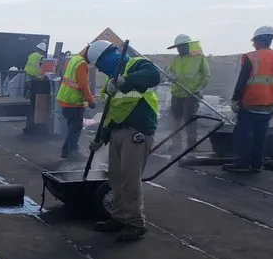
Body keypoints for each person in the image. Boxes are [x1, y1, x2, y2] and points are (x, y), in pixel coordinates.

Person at [85, 40, 161, 242]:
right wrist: (102, 138)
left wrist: (124, 80)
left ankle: (135, 223)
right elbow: (111, 114)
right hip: (118, 132)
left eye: (99, 64)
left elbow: (154, 75)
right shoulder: (110, 82)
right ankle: (119, 217)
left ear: (107, 57)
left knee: (129, 178)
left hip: (136, 132)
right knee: (116, 177)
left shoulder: (136, 65)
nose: (100, 69)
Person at [223, 25, 273, 174]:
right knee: (261, 135)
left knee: (243, 135)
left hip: (250, 103)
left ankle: (243, 162)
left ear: (259, 40)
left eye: (254, 42)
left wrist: (235, 99)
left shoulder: (252, 57)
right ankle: (257, 164)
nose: (253, 45)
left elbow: (243, 80)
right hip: (268, 104)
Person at [165, 33, 211, 154]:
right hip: (177, 94)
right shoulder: (176, 59)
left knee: (190, 121)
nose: (180, 49)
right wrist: (170, 75)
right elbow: (169, 71)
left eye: (182, 46)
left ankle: (192, 146)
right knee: (176, 120)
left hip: (191, 94)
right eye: (178, 47)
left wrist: (200, 89)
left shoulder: (199, 58)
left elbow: (206, 75)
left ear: (188, 46)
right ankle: (176, 145)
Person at [55, 50, 95, 160]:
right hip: (73, 102)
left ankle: (66, 151)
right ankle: (72, 153)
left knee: (71, 128)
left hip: (66, 99)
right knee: (75, 129)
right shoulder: (82, 64)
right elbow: (83, 85)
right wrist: (90, 101)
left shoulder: (75, 59)